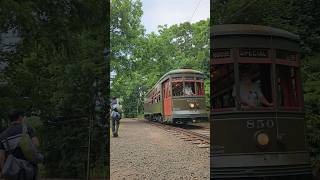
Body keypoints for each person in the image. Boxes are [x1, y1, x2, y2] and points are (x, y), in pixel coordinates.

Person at [0, 110, 41, 179]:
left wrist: (3, 171)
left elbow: (1, 156)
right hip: (29, 167)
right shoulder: (27, 129)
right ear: (20, 117)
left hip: (12, 169)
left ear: (9, 119)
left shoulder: (3, 135)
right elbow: (36, 144)